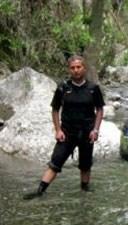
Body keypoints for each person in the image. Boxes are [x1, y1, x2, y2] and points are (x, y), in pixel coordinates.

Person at [23, 55, 105, 200]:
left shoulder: (93, 89)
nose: (76, 70)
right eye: (72, 68)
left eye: (78, 67)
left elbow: (99, 109)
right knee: (55, 163)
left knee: (85, 165)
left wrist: (95, 129)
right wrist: (58, 129)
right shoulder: (62, 88)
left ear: (84, 68)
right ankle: (39, 191)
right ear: (69, 70)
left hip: (87, 132)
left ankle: (84, 191)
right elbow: (55, 109)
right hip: (67, 132)